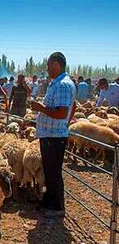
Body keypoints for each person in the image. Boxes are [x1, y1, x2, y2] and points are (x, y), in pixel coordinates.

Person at [30, 52, 76, 216]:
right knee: (50, 171)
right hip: (53, 134)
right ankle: (49, 202)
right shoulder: (58, 83)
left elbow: (62, 112)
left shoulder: (62, 85)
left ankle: (56, 207)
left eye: (49, 65)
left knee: (53, 172)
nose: (47, 68)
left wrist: (39, 108)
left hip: (54, 136)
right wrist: (65, 125)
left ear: (56, 64)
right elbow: (73, 106)